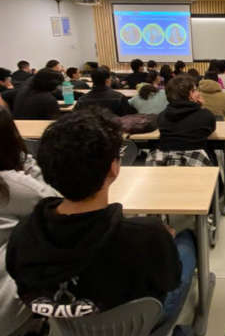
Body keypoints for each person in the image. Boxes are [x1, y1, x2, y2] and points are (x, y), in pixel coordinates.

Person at [6, 108, 195, 321]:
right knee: (187, 243)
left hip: (74, 332)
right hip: (139, 326)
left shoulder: (23, 233)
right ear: (113, 167)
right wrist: (165, 243)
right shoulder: (147, 234)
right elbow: (170, 281)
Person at [0, 108, 57, 336]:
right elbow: (58, 206)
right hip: (6, 302)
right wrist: (27, 166)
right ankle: (32, 328)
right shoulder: (12, 185)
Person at [147, 75, 216, 166]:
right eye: (195, 90)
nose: (198, 93)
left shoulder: (162, 115)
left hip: (166, 165)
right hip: (196, 164)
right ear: (191, 94)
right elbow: (211, 130)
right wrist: (201, 107)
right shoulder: (206, 115)